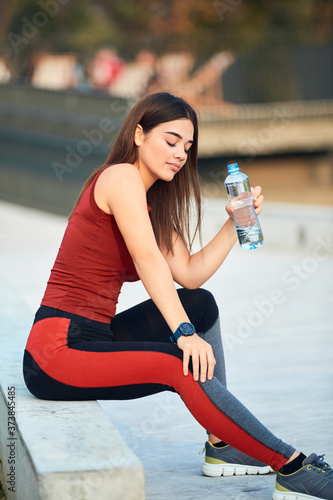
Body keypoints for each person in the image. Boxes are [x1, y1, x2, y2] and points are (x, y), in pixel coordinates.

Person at [23, 92, 332, 500]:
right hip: (56, 350)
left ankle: (223, 446)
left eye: (187, 147)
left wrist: (236, 223)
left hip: (96, 337)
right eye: (170, 142)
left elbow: (189, 274)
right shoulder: (119, 178)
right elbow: (148, 259)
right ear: (138, 134)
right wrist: (183, 333)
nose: (180, 154)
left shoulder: (149, 204)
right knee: (179, 360)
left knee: (199, 303)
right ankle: (291, 466)